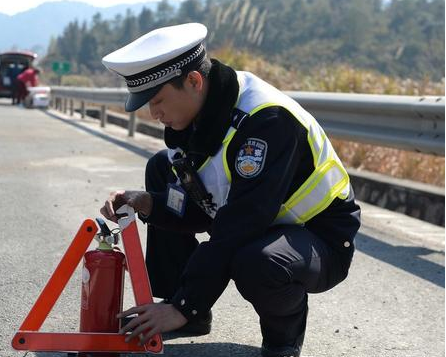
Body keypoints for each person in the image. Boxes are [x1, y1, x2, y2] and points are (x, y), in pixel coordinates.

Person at [99, 23, 361, 357]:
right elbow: (206, 207)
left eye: (159, 100)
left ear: (194, 81)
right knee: (160, 168)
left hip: (318, 237)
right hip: (260, 220)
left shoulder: (267, 121)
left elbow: (239, 224)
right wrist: (151, 203)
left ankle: (283, 340)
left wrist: (186, 304)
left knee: (257, 261)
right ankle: (185, 313)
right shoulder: (196, 116)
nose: (154, 113)